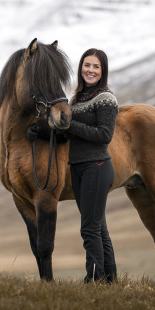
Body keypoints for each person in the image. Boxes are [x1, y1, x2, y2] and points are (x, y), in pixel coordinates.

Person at [66, 48, 118, 283]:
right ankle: (110, 280)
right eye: (87, 65)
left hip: (96, 166)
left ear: (103, 71)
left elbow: (104, 135)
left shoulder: (106, 98)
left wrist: (70, 124)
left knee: (89, 229)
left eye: (96, 66)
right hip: (78, 168)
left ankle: (94, 280)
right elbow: (68, 132)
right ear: (80, 68)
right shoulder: (76, 99)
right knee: (99, 229)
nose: (91, 70)